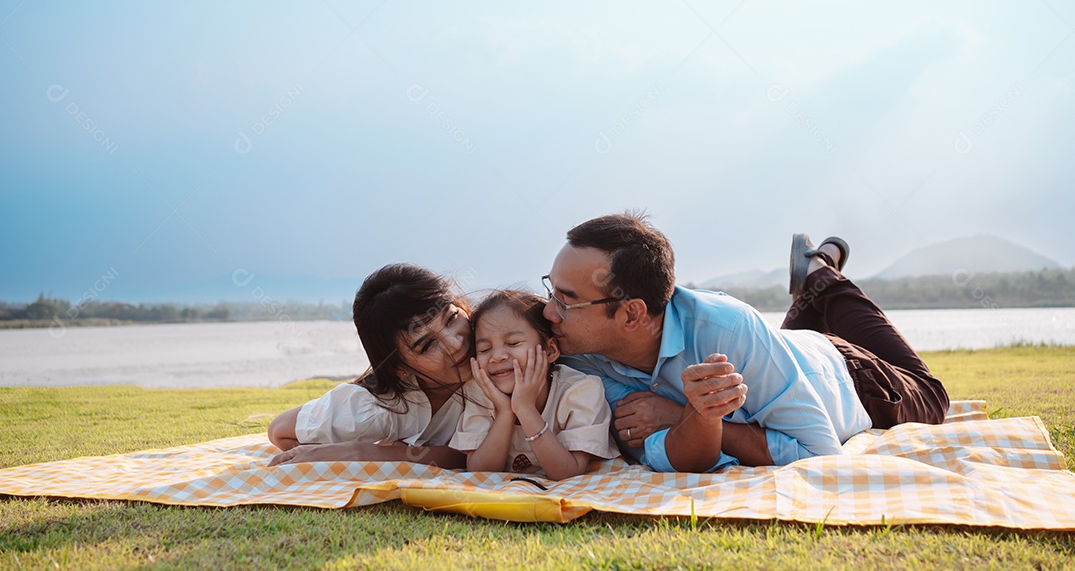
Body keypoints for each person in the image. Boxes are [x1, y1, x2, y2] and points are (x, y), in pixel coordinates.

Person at [544, 212, 949, 473]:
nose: (549, 312)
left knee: (932, 395)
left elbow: (819, 456)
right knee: (769, 344)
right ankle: (812, 282)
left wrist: (680, 414)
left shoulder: (728, 329)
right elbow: (657, 454)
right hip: (781, 351)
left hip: (851, 377)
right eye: (550, 291)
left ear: (632, 314)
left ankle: (821, 272)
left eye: (566, 299)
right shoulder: (582, 357)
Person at [267, 263, 473, 468]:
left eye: (452, 318)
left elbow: (474, 454)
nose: (456, 344)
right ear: (398, 368)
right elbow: (280, 430)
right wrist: (350, 452)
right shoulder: (380, 408)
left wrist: (382, 452)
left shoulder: (498, 347)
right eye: (427, 345)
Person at [449, 290, 619, 480]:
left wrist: (525, 410)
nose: (497, 357)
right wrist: (505, 412)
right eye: (485, 349)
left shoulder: (579, 390)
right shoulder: (481, 393)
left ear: (549, 350)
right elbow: (480, 473)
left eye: (513, 343)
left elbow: (568, 473)